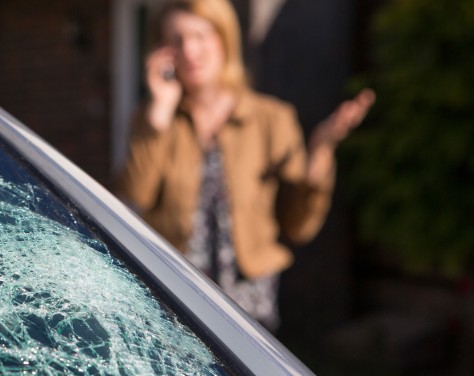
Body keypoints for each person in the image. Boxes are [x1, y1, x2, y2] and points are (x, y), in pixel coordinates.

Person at [114, 0, 375, 330]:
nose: (190, 50)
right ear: (162, 53)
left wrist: (320, 153)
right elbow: (133, 199)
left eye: (200, 35)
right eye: (176, 40)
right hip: (173, 299)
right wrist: (158, 118)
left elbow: (298, 225)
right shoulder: (154, 120)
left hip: (250, 307)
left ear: (223, 37)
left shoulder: (272, 119)